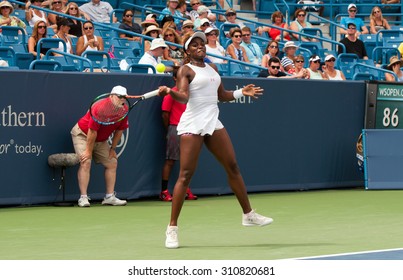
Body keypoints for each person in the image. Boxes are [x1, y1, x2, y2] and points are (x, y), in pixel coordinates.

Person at [158, 32, 273, 249]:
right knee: (185, 175)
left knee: (233, 166)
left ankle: (248, 214)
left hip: (213, 121)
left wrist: (241, 92)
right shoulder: (185, 70)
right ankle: (172, 228)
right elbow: (184, 96)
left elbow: (221, 95)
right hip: (193, 124)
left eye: (202, 44)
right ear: (187, 51)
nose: (200, 47)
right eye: (195, 45)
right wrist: (170, 93)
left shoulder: (213, 69)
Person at [71, 85, 128, 207]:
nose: (122, 99)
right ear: (111, 96)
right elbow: (92, 131)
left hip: (100, 140)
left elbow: (120, 130)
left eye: (124, 97)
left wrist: (113, 149)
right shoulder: (100, 108)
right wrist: (88, 150)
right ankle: (83, 198)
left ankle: (109, 197)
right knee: (86, 161)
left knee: (112, 162)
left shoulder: (123, 110)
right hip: (82, 134)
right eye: (119, 97)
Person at [160, 66, 198, 201]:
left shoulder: (190, 94)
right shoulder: (171, 94)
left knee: (187, 162)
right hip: (175, 129)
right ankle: (164, 191)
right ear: (175, 78)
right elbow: (165, 114)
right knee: (170, 161)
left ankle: (186, 190)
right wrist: (170, 130)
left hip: (189, 129)